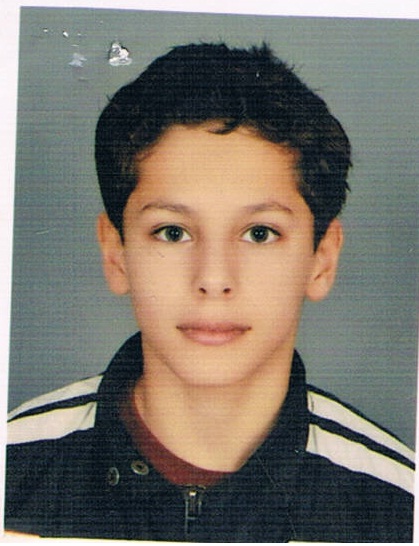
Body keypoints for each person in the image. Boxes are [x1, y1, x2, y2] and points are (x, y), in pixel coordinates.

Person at [4, 43, 414, 542]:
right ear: (116, 253)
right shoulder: (14, 472)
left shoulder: (398, 508)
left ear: (321, 259)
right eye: (172, 232)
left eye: (259, 233)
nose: (214, 278)